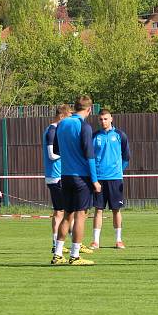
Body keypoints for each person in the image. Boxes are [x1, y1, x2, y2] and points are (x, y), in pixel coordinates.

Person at [51, 96, 99, 266]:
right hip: (81, 177)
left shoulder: (62, 124)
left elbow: (56, 149)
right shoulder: (83, 126)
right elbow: (89, 155)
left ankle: (57, 254)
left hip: (65, 175)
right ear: (89, 109)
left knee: (67, 216)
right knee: (80, 216)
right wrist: (95, 180)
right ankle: (75, 255)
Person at [90, 109, 130, 250]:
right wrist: (94, 176)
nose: (103, 122)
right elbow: (90, 158)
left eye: (106, 119)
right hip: (99, 179)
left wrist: (117, 170)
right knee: (98, 209)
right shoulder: (94, 136)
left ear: (111, 119)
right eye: (101, 119)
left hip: (115, 179)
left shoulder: (120, 135)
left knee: (116, 210)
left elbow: (126, 157)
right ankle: (95, 241)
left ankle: (118, 240)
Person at [43, 104, 71, 254]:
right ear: (61, 117)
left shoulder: (54, 130)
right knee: (60, 211)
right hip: (55, 176)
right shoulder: (52, 131)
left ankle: (71, 241)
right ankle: (55, 243)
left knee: (66, 210)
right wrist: (67, 154)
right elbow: (51, 155)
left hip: (58, 175)